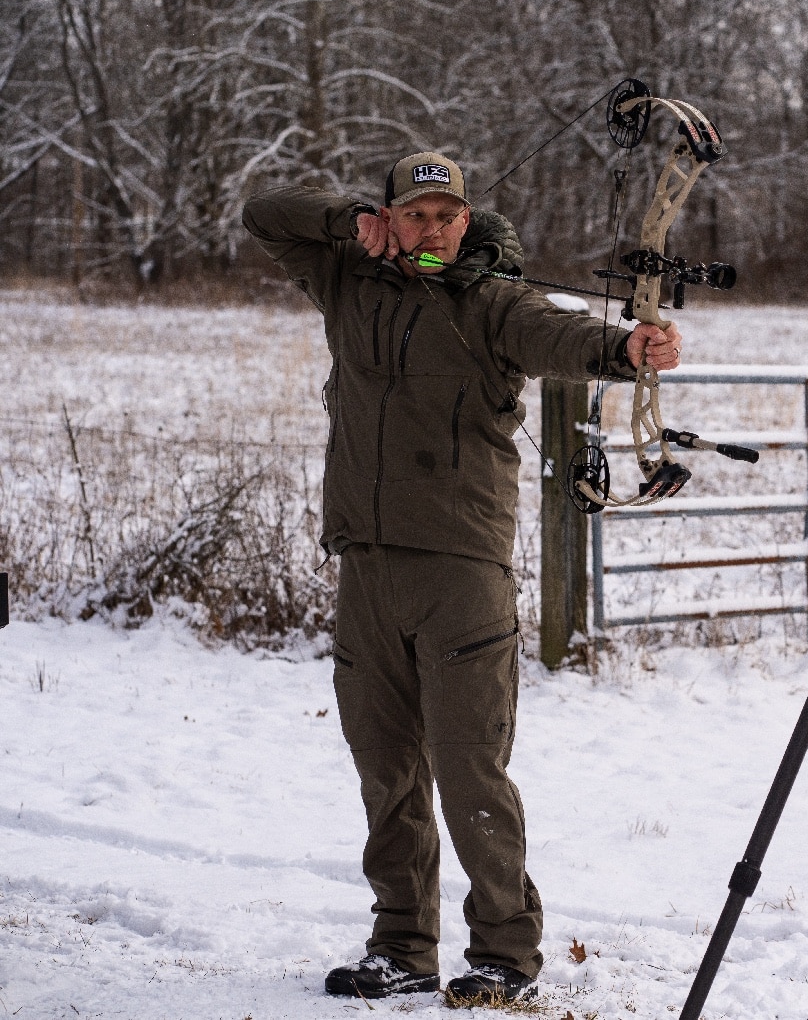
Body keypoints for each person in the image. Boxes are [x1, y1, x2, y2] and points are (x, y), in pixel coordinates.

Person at [242, 152, 681, 1003]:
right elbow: (265, 212)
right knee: (385, 768)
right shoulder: (347, 281)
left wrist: (627, 347)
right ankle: (401, 946)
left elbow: (559, 335)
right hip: (366, 564)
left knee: (470, 768)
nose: (434, 229)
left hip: (461, 570)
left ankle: (503, 957)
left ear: (468, 219)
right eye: (416, 215)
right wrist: (345, 222)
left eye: (449, 216)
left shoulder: (493, 301)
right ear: (391, 219)